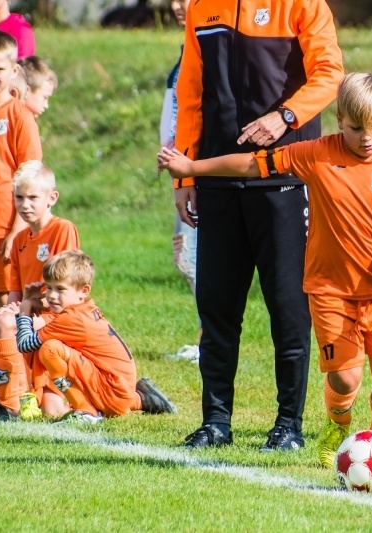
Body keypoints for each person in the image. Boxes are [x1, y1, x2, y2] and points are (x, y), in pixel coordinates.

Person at [160, 72, 372, 468]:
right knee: (346, 379)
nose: (367, 138)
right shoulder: (317, 154)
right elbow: (250, 165)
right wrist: (192, 166)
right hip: (330, 290)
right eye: (355, 129)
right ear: (338, 121)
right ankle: (338, 424)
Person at [173, 0, 344, 450]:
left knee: (288, 311)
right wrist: (188, 173)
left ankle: (289, 425)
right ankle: (215, 423)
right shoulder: (200, 8)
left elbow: (330, 73)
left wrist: (284, 117)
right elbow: (190, 95)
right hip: (218, 182)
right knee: (215, 308)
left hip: (285, 181)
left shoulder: (303, 4)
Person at [7, 250, 178, 424]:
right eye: (49, 287)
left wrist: (25, 308)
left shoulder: (71, 319)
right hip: (120, 389)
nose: (51, 295)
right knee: (53, 352)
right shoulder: (84, 310)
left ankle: (86, 411)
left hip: (114, 391)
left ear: (84, 291)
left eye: (60, 289)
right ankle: (143, 399)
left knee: (50, 348)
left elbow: (25, 344)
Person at [0, 161, 79, 421]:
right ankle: (7, 401)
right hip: (30, 313)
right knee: (0, 317)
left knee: (54, 409)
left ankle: (12, 399)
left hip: (57, 316)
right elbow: (15, 290)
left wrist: (30, 306)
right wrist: (13, 306)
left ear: (52, 198)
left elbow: (66, 286)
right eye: (19, 197)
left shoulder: (62, 229)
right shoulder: (21, 240)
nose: (25, 204)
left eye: (33, 197)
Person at [0, 29, 41, 418]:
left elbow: (29, 173)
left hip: (4, 231)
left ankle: (15, 393)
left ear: (13, 70)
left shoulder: (19, 115)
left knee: (7, 310)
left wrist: (17, 229)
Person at [159, 0, 198, 362]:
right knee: (185, 257)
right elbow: (175, 108)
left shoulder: (207, 42)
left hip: (196, 169)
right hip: (180, 169)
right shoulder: (186, 47)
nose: (176, 5)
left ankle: (208, 344)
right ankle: (207, 339)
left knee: (196, 258)